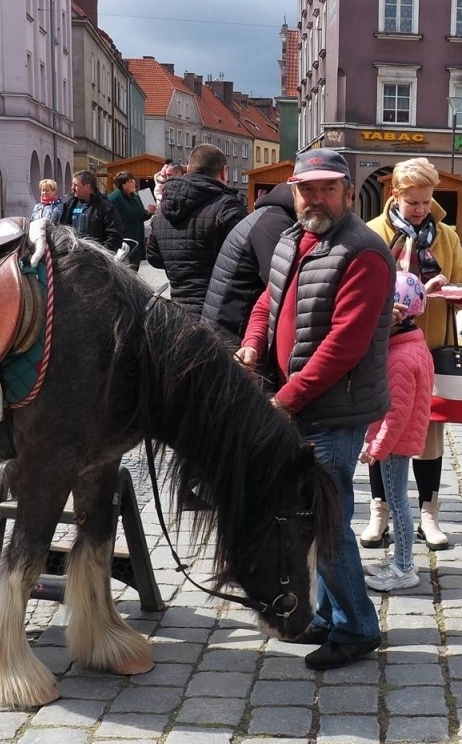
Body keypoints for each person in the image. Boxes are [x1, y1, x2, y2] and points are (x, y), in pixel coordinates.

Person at [235, 148, 393, 671]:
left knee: (327, 523)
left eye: (328, 188)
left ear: (349, 192)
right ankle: (328, 615)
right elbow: (268, 301)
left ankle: (356, 629)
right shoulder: (292, 238)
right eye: (307, 188)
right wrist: (254, 344)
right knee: (312, 517)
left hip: (332, 409)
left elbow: (345, 344)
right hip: (298, 402)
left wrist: (287, 397)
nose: (316, 197)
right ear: (293, 189)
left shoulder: (363, 252)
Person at [361, 158, 462, 552]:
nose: (422, 209)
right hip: (382, 345)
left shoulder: (447, 237)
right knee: (379, 426)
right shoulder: (372, 233)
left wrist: (445, 288)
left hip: (430, 346)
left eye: (426, 201)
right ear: (396, 196)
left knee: (428, 431)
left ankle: (428, 513)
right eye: (413, 202)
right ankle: (380, 511)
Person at [361, 271, 436, 594]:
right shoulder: (413, 344)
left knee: (398, 503)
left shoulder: (400, 359)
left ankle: (404, 566)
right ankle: (400, 560)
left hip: (396, 443)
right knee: (398, 501)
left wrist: (376, 449)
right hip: (400, 439)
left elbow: (395, 414)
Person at [148, 144, 250, 314]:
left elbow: (153, 257)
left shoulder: (163, 211)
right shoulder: (227, 207)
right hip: (220, 312)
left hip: (179, 311)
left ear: (188, 169)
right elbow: (247, 261)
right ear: (224, 171)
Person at [204, 182, 298, 342]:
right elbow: (283, 287)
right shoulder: (273, 223)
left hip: (227, 324)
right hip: (231, 330)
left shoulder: (269, 215)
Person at [57, 171, 123, 254]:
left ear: (87, 187)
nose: (72, 188)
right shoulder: (70, 204)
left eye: (76, 185)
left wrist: (102, 255)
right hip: (72, 258)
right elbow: (61, 228)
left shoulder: (105, 207)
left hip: (95, 260)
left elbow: (114, 235)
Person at [108, 171, 148, 264]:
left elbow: (140, 216)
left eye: (133, 180)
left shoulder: (136, 197)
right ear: (123, 185)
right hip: (123, 243)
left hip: (136, 241)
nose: (134, 182)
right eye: (130, 181)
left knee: (134, 270)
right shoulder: (113, 199)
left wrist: (150, 212)